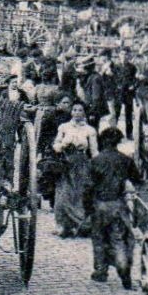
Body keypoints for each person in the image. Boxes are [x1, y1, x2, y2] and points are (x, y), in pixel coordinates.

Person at [85, 126, 143, 287]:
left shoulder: (95, 161)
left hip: (100, 205)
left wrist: (87, 208)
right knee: (118, 238)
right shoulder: (126, 160)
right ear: (118, 141)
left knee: (99, 238)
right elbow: (138, 181)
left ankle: (101, 271)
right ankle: (123, 268)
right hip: (118, 205)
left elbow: (88, 187)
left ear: (102, 141)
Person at [51, 101, 97, 237]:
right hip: (66, 163)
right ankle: (62, 225)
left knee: (80, 193)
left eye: (80, 110)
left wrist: (96, 165)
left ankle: (80, 225)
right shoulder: (64, 127)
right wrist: (63, 145)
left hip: (82, 164)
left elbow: (94, 151)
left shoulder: (90, 130)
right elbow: (56, 144)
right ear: (71, 112)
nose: (77, 113)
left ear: (84, 113)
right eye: (75, 110)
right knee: (63, 193)